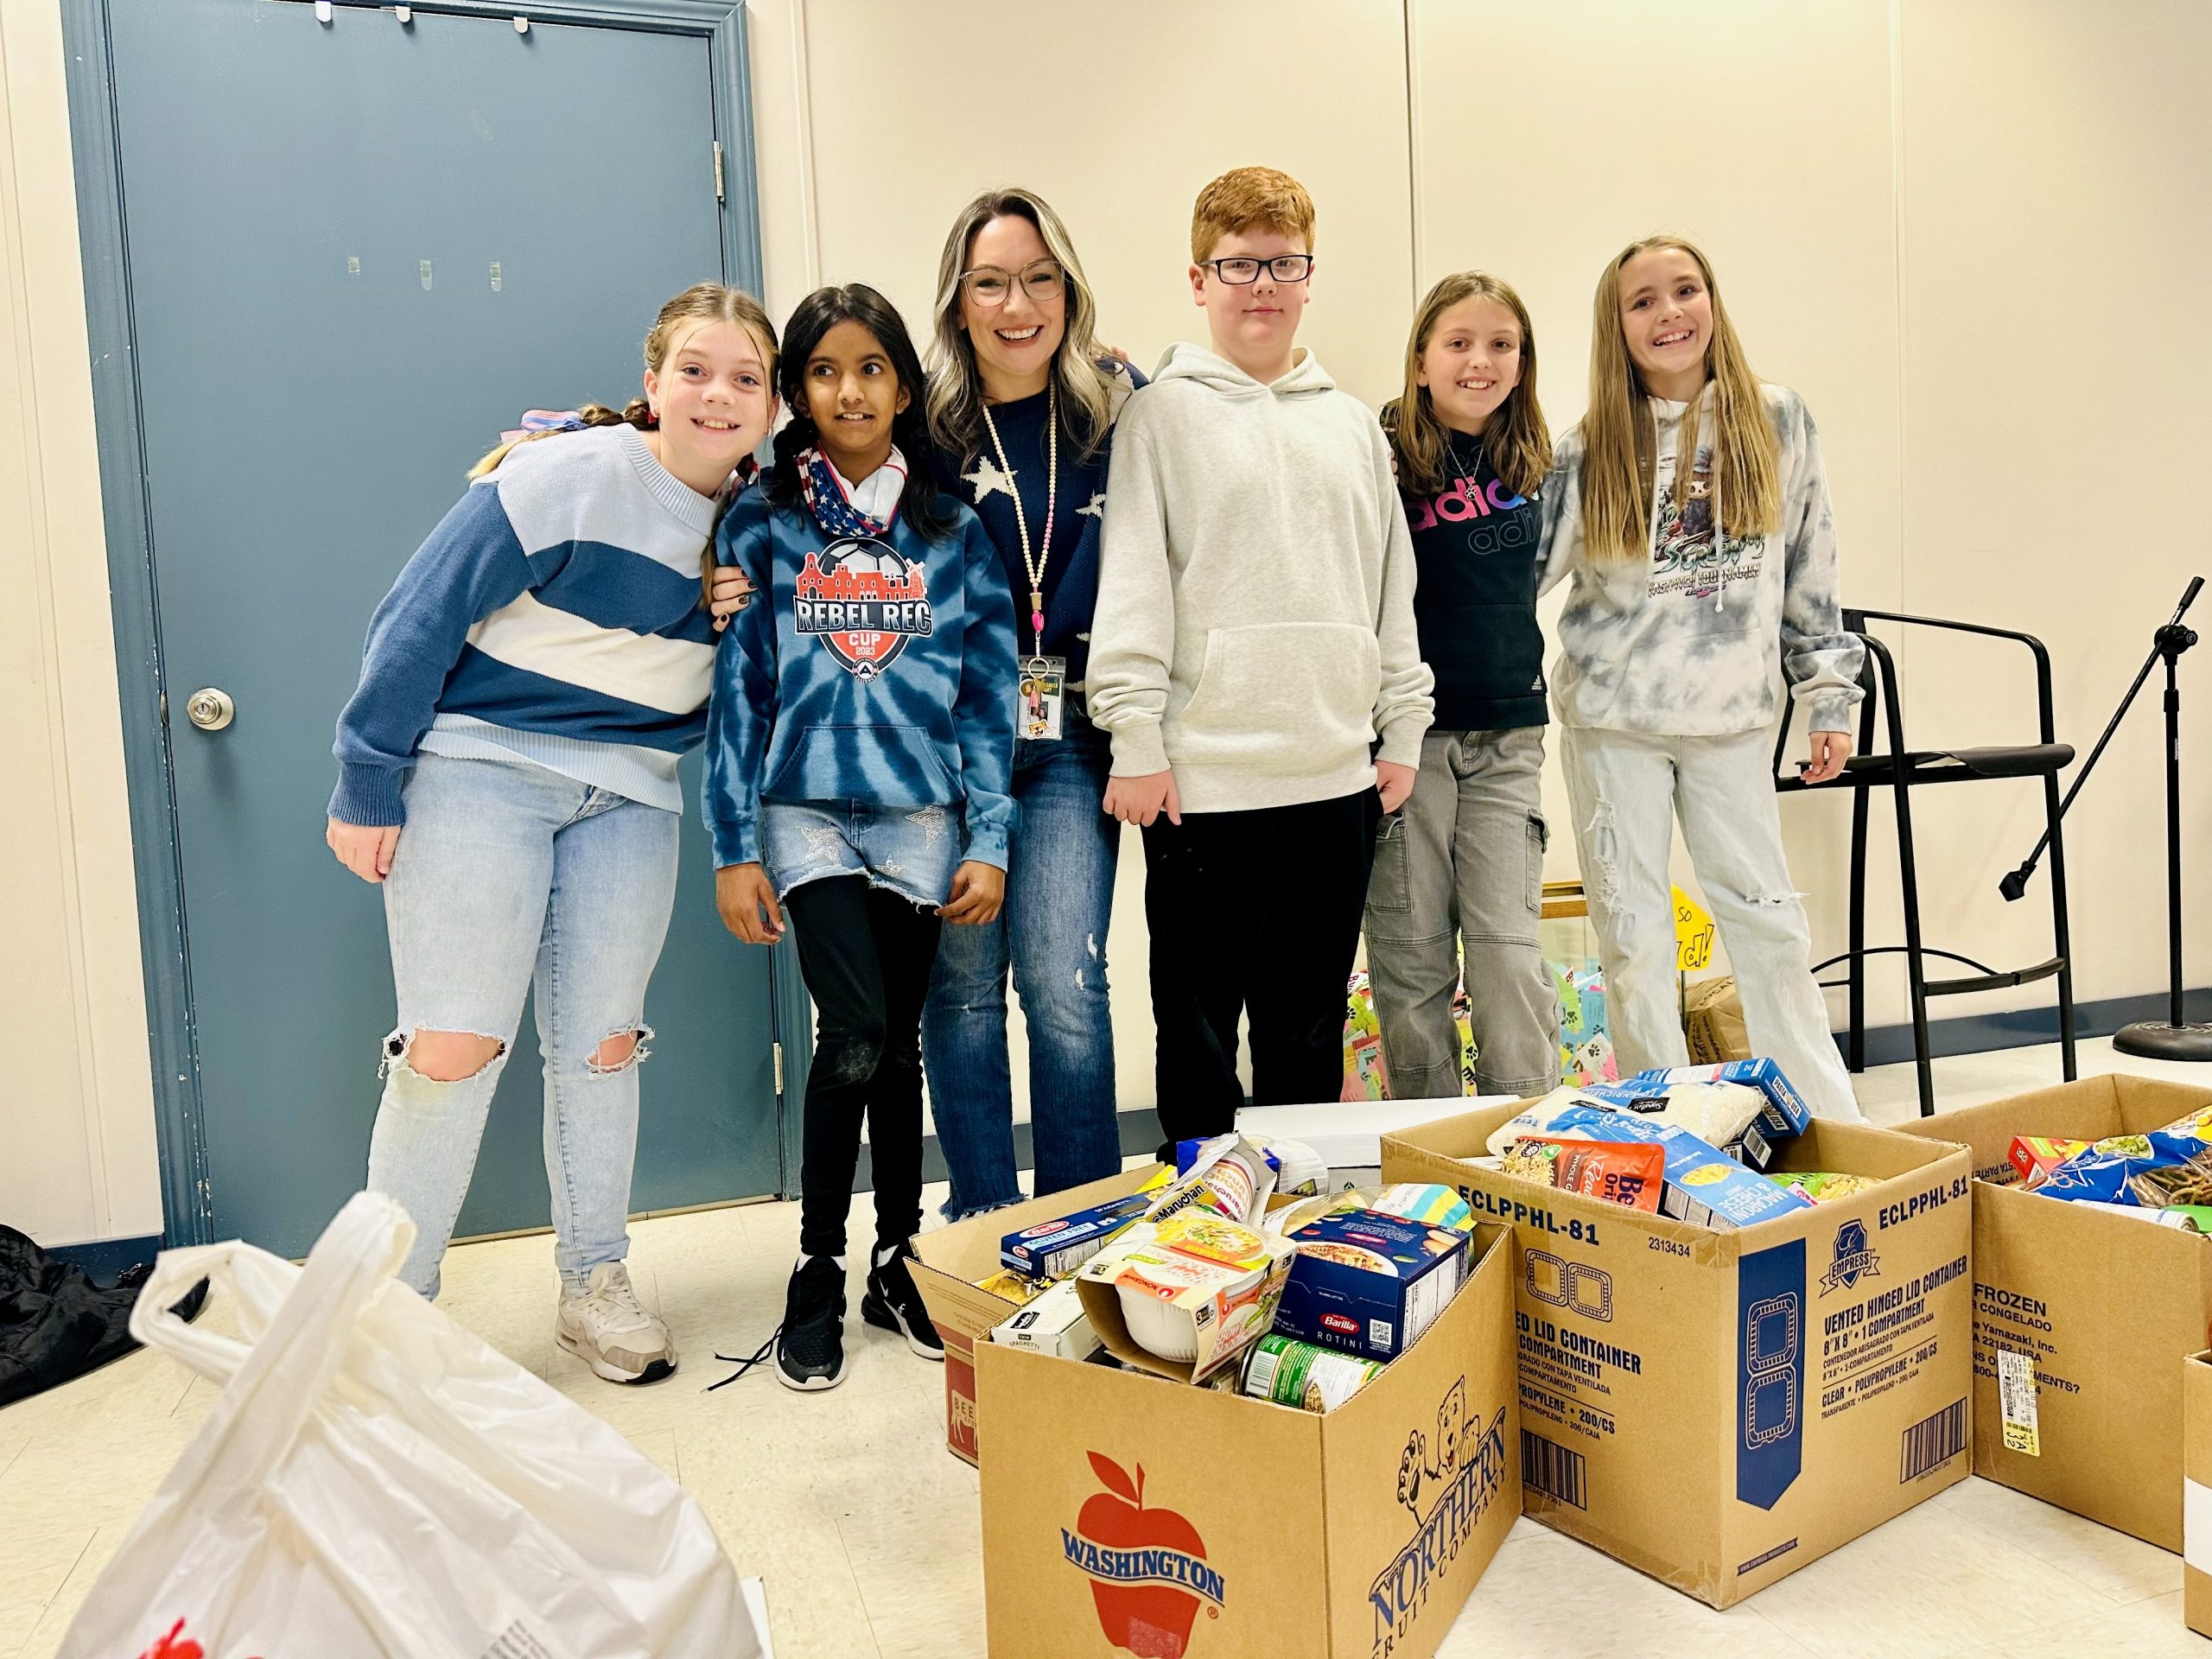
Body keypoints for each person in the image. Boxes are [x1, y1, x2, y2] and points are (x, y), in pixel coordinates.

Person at [326, 283, 779, 1382]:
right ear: (651, 385)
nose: (718, 394)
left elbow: (741, 695)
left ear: (771, 409)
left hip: (631, 795)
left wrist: (747, 612)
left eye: (746, 379)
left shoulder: (764, 528)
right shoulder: (560, 479)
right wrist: (367, 778)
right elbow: (419, 614)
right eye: (695, 370)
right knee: (450, 1049)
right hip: (483, 772)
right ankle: (391, 1315)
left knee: (603, 1048)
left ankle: (593, 1283)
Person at [705, 283, 1017, 1392]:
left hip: (924, 817)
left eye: (872, 367)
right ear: (796, 389)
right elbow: (738, 697)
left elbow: (987, 696)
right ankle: (816, 1266)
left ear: (902, 382)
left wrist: (992, 834)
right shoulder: (762, 524)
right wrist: (731, 846)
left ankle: (897, 1259)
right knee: (855, 1027)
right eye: (825, 370)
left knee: (898, 1046)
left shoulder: (951, 525)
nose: (849, 389)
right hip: (802, 813)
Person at [1087, 166, 1434, 1153]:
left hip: (1334, 781)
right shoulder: (1159, 417)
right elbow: (1136, 585)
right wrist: (1135, 737)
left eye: (1282, 263)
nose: (1261, 285)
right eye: (1238, 265)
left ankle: (1293, 1231)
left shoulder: (1351, 426)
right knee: (1195, 1037)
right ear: (1199, 280)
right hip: (1202, 787)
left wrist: (1400, 728)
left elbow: (1387, 593)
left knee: (1306, 1031)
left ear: (1309, 275)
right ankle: (1199, 1238)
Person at [1540, 233, 1865, 1119]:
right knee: (1635, 940)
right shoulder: (1585, 448)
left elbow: (1813, 570)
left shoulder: (1778, 419)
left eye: (1684, 290)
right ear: (1618, 326)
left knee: (1767, 923)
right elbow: (1513, 578)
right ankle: (1664, 1127)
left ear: (1713, 302)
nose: (1668, 312)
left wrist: (1827, 695)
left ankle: (1832, 1121)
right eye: (1642, 301)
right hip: (1614, 726)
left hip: (1732, 723)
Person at [1368, 272, 1561, 1102]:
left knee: (1506, 953)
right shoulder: (1375, 450)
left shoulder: (1540, 461)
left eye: (1500, 345)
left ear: (1522, 366)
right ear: (1419, 361)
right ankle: (1430, 1140)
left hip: (1509, 738)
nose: (1479, 361)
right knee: (1411, 957)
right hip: (1410, 745)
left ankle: (1531, 1132)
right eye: (1458, 343)